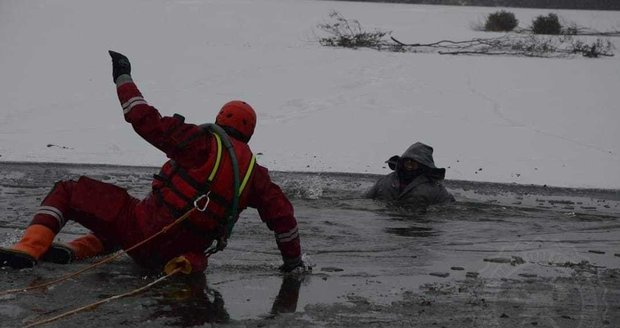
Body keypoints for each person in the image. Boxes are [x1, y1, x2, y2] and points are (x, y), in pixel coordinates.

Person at [0, 51, 306, 276]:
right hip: (177, 255)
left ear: (219, 119)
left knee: (68, 192)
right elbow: (285, 221)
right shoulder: (256, 177)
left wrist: (123, 77)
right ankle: (78, 249)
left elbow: (143, 119)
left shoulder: (198, 141)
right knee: (134, 230)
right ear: (249, 132)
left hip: (141, 231)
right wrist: (293, 264)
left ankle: (28, 250)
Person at [365, 142, 455, 207]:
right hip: (387, 228)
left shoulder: (435, 188)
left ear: (423, 164)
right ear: (402, 161)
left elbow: (449, 208)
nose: (409, 164)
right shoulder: (385, 181)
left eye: (414, 161)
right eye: (407, 160)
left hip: (417, 229)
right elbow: (365, 199)